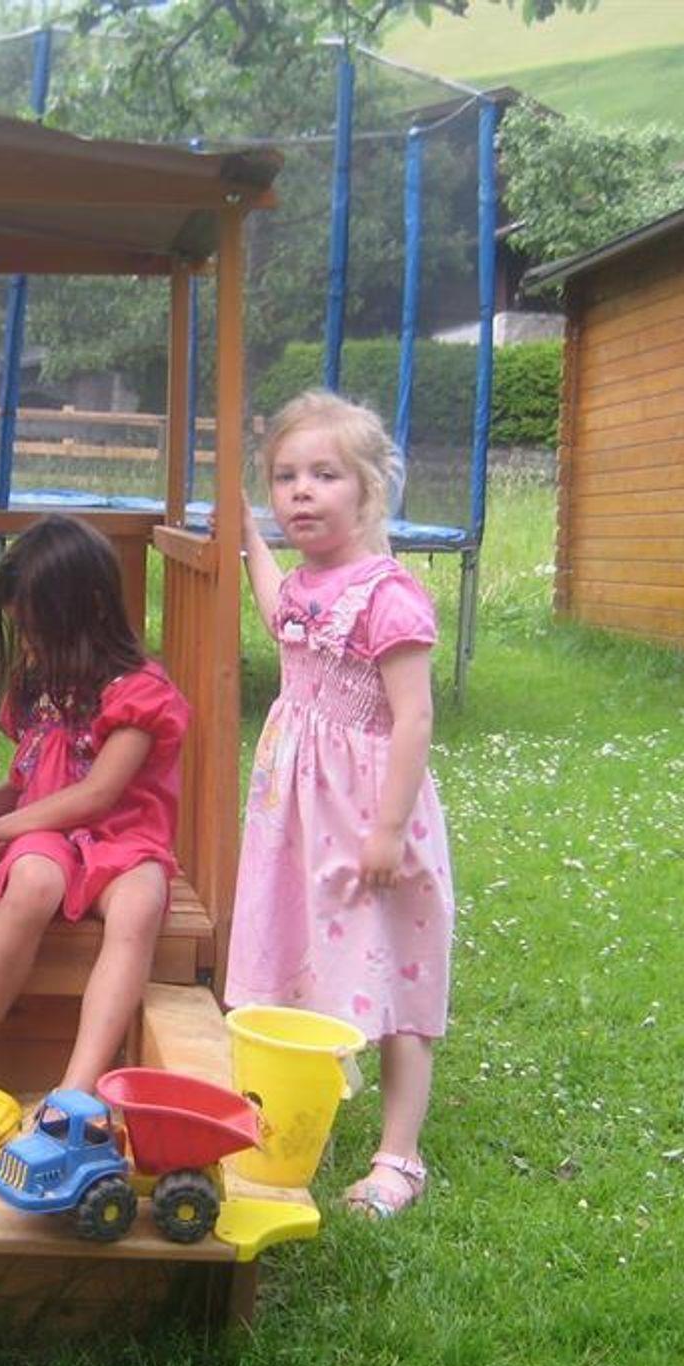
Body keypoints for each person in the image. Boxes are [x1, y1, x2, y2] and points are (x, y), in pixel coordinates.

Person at [225, 390, 454, 1219]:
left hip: (366, 821)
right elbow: (273, 606)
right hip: (297, 821)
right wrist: (245, 535)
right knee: (298, 956)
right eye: (285, 477)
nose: (302, 491)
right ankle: (292, 1114)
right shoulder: (306, 587)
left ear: (367, 488)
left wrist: (388, 830)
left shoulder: (389, 596)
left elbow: (414, 717)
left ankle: (399, 1156)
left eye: (324, 474)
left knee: (394, 974)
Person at [0, 514, 189, 1103]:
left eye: (38, 629)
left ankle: (76, 1088)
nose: (30, 644)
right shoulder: (41, 683)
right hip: (48, 835)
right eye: (23, 629)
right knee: (33, 883)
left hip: (123, 837)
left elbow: (97, 793)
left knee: (141, 904)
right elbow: (33, 780)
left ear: (89, 607)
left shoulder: (140, 692)